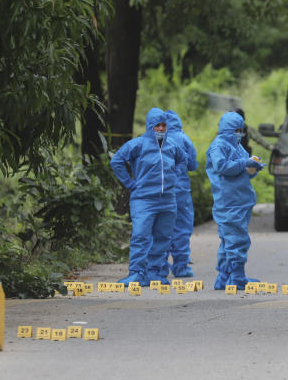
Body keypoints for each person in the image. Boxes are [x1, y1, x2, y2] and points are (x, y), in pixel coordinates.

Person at [110, 108, 192, 285]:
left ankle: (155, 273)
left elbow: (183, 159)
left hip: (168, 199)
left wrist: (174, 176)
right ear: (150, 126)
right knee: (141, 235)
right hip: (144, 200)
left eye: (164, 125)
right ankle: (136, 273)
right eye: (157, 126)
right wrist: (130, 184)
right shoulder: (138, 145)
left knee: (163, 237)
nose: (161, 129)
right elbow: (116, 161)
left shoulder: (172, 145)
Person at [205, 111, 265, 290]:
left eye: (242, 130)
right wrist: (245, 164)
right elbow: (222, 166)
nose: (240, 133)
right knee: (237, 240)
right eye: (236, 130)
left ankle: (224, 277)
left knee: (228, 241)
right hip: (229, 201)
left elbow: (241, 174)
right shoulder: (219, 146)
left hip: (241, 200)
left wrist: (253, 168)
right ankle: (237, 278)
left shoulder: (238, 147)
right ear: (227, 129)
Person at [153, 110, 199, 278]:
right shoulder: (183, 139)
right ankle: (180, 267)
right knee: (182, 227)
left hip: (161, 191)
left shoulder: (156, 138)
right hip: (181, 192)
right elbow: (193, 164)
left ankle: (160, 268)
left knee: (161, 229)